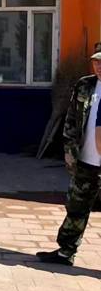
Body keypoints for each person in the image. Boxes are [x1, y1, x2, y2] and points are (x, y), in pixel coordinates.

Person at [36, 43, 101, 266]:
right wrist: (69, 150)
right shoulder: (85, 85)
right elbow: (71, 120)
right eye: (96, 62)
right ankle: (66, 251)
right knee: (76, 208)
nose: (99, 66)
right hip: (85, 160)